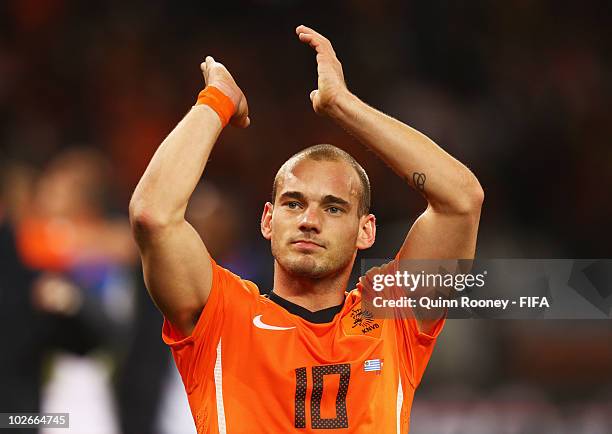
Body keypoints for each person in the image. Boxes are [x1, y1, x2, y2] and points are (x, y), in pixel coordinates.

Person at [130, 25, 483, 433]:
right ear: (268, 220)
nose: (309, 220)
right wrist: (216, 101)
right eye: (293, 203)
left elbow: (461, 201)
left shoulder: (392, 318)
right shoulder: (222, 315)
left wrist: (344, 106)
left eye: (333, 208)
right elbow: (152, 214)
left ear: (365, 230)